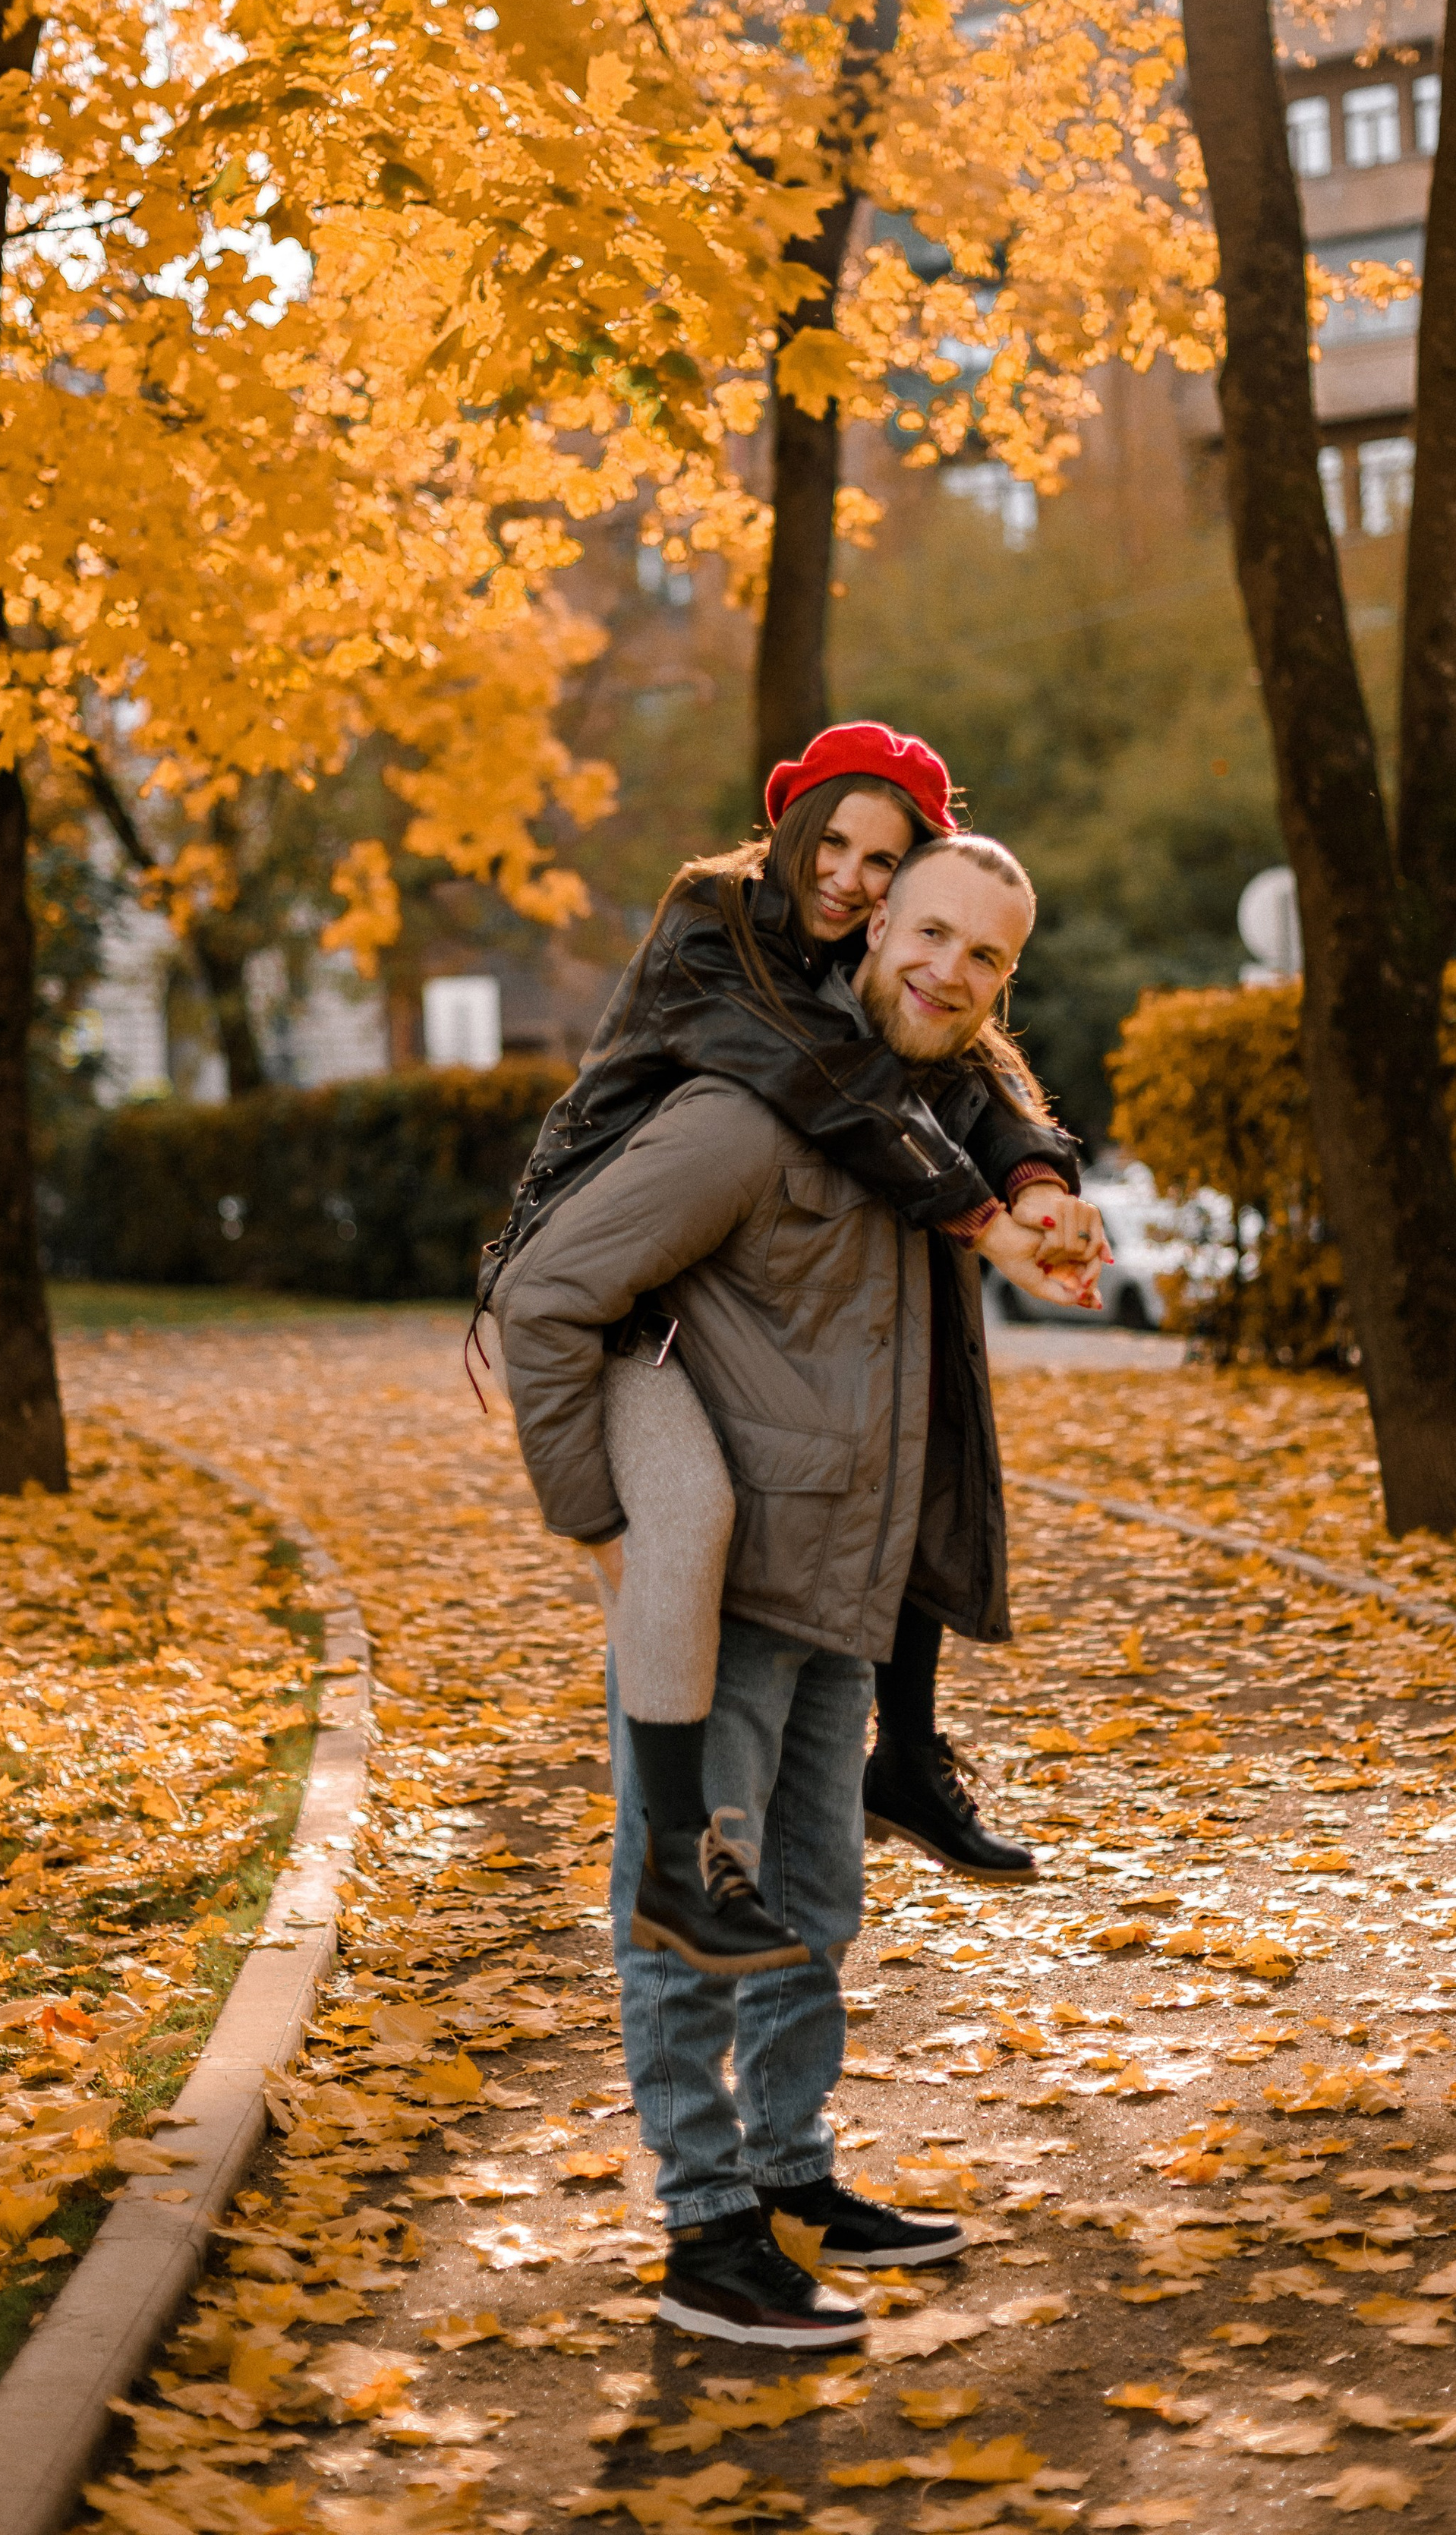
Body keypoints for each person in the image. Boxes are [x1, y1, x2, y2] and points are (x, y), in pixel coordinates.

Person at [496, 835, 1047, 2347]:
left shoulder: (911, 1137)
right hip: (722, 1604)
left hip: (841, 1596)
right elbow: (546, 1295)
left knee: (814, 1907)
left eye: (985, 956)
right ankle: (705, 2231)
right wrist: (602, 1523)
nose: (947, 971)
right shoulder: (743, 1118)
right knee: (687, 1914)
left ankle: (792, 2176)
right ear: (872, 929)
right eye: (927, 934)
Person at [478, 723, 1105, 1909]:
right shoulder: (713, 926)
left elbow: (979, 1070)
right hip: (619, 1284)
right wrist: (982, 1220)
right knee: (685, 1522)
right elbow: (830, 1079)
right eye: (835, 844)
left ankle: (904, 1754)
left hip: (715, 1271)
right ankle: (678, 1850)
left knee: (912, 1406)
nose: (849, 878)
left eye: (884, 861)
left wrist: (1037, 1180)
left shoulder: (859, 965)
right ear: (788, 826)